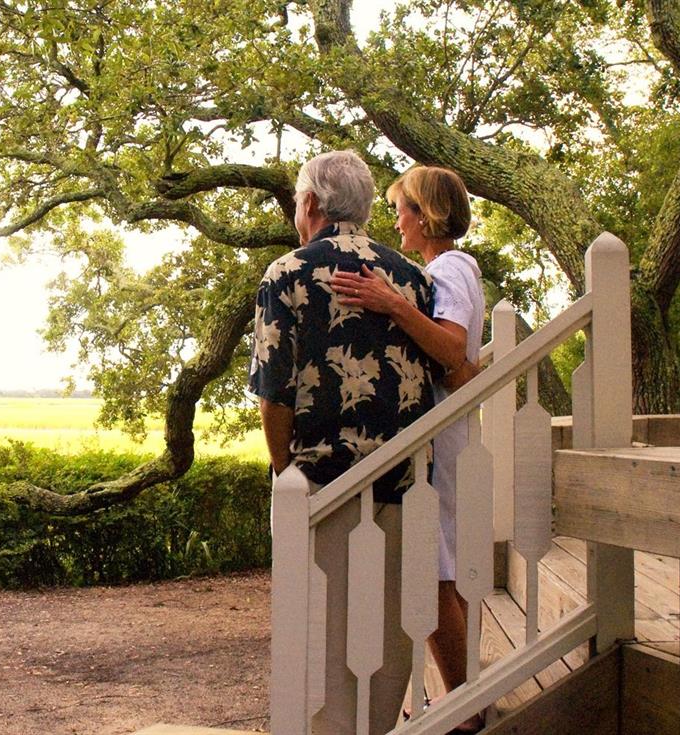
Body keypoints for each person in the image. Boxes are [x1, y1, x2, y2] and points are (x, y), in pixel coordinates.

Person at [249, 150, 438, 735]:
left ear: (310, 203)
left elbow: (273, 391)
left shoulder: (287, 273)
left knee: (318, 637)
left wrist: (284, 471)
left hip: (322, 486)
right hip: (403, 484)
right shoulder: (411, 278)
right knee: (386, 637)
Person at [330, 165, 485, 732]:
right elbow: (460, 363)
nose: (395, 221)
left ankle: (468, 703)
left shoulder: (451, 267)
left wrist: (390, 303)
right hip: (445, 430)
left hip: (440, 437)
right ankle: (468, 693)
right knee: (441, 563)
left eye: (402, 210)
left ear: (426, 214)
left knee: (437, 568)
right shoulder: (442, 269)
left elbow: (451, 346)